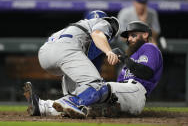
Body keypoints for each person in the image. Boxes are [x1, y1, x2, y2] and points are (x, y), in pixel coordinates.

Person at [24, 20, 163, 118]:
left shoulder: (149, 48)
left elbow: (147, 73)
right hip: (124, 96)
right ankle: (43, 108)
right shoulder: (132, 56)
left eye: (133, 35)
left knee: (97, 87)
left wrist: (125, 59)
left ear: (145, 35)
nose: (129, 39)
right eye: (128, 37)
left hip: (136, 93)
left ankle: (60, 103)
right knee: (86, 106)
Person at [24, 10, 120, 118]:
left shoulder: (76, 26)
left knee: (77, 94)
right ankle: (70, 101)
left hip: (45, 54)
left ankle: (42, 107)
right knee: (97, 85)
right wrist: (109, 51)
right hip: (67, 49)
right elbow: (97, 33)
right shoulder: (104, 22)